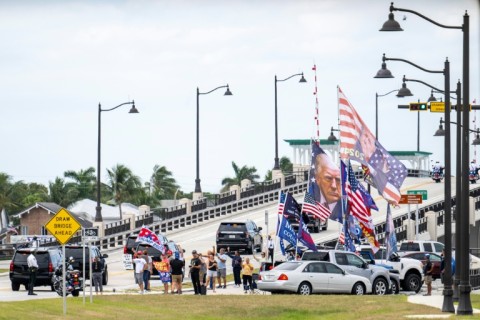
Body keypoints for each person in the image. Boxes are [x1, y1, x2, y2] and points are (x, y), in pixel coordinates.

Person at [312, 153, 342, 220]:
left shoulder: (345, 205)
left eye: (338, 180)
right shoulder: (312, 197)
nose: (334, 186)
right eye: (328, 178)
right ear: (317, 179)